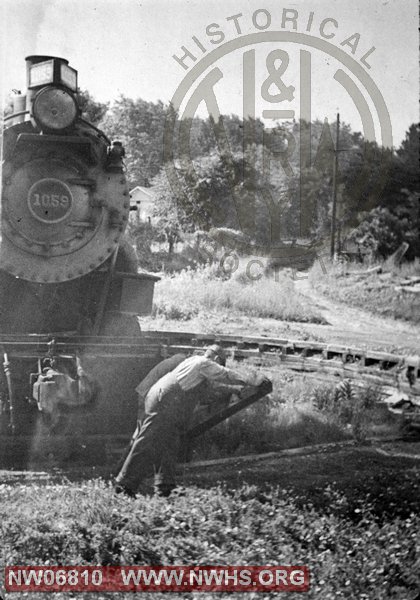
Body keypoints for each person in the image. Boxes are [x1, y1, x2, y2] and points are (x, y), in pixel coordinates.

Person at [114, 344, 269, 497]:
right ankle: (123, 485)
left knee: (170, 442)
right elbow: (225, 374)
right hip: (163, 401)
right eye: (218, 364)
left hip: (164, 400)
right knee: (147, 442)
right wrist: (252, 381)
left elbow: (209, 392)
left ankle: (165, 485)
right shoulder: (202, 363)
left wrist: (235, 390)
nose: (216, 368)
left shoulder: (194, 367)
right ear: (215, 358)